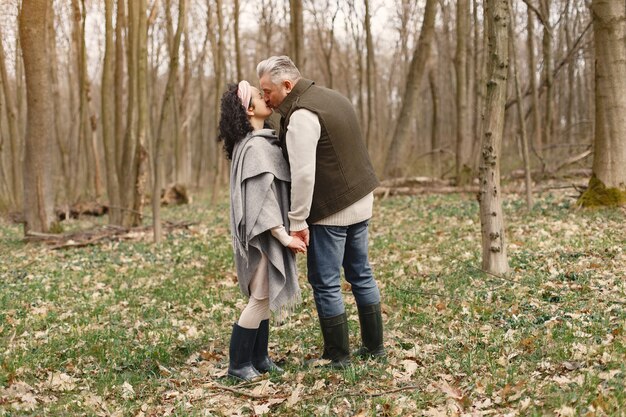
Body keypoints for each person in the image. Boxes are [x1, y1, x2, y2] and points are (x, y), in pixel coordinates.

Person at [256, 56, 385, 368]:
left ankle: (339, 357)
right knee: (361, 273)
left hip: (332, 210)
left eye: (267, 91)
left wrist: (297, 220)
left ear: (287, 85)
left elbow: (303, 174)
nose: (264, 98)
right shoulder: (332, 98)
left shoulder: (302, 115)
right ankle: (375, 348)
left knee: (325, 281)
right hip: (360, 201)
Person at [218, 80, 307, 382]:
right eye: (259, 95)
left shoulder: (262, 142)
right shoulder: (254, 148)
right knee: (259, 297)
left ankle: (259, 357)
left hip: (269, 234)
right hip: (264, 236)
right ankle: (239, 365)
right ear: (249, 109)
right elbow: (262, 199)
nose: (265, 97)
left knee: (264, 295)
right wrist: (283, 235)